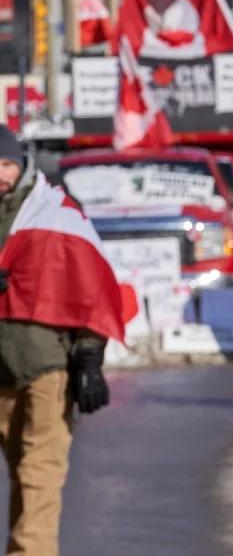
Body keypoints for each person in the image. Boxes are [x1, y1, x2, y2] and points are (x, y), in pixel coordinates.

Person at [0, 126, 121, 555]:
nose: (0, 173)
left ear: (22, 165)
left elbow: (88, 288)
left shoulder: (54, 214)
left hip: (45, 369)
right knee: (23, 473)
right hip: (0, 373)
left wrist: (89, 360)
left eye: (7, 163)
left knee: (39, 475)